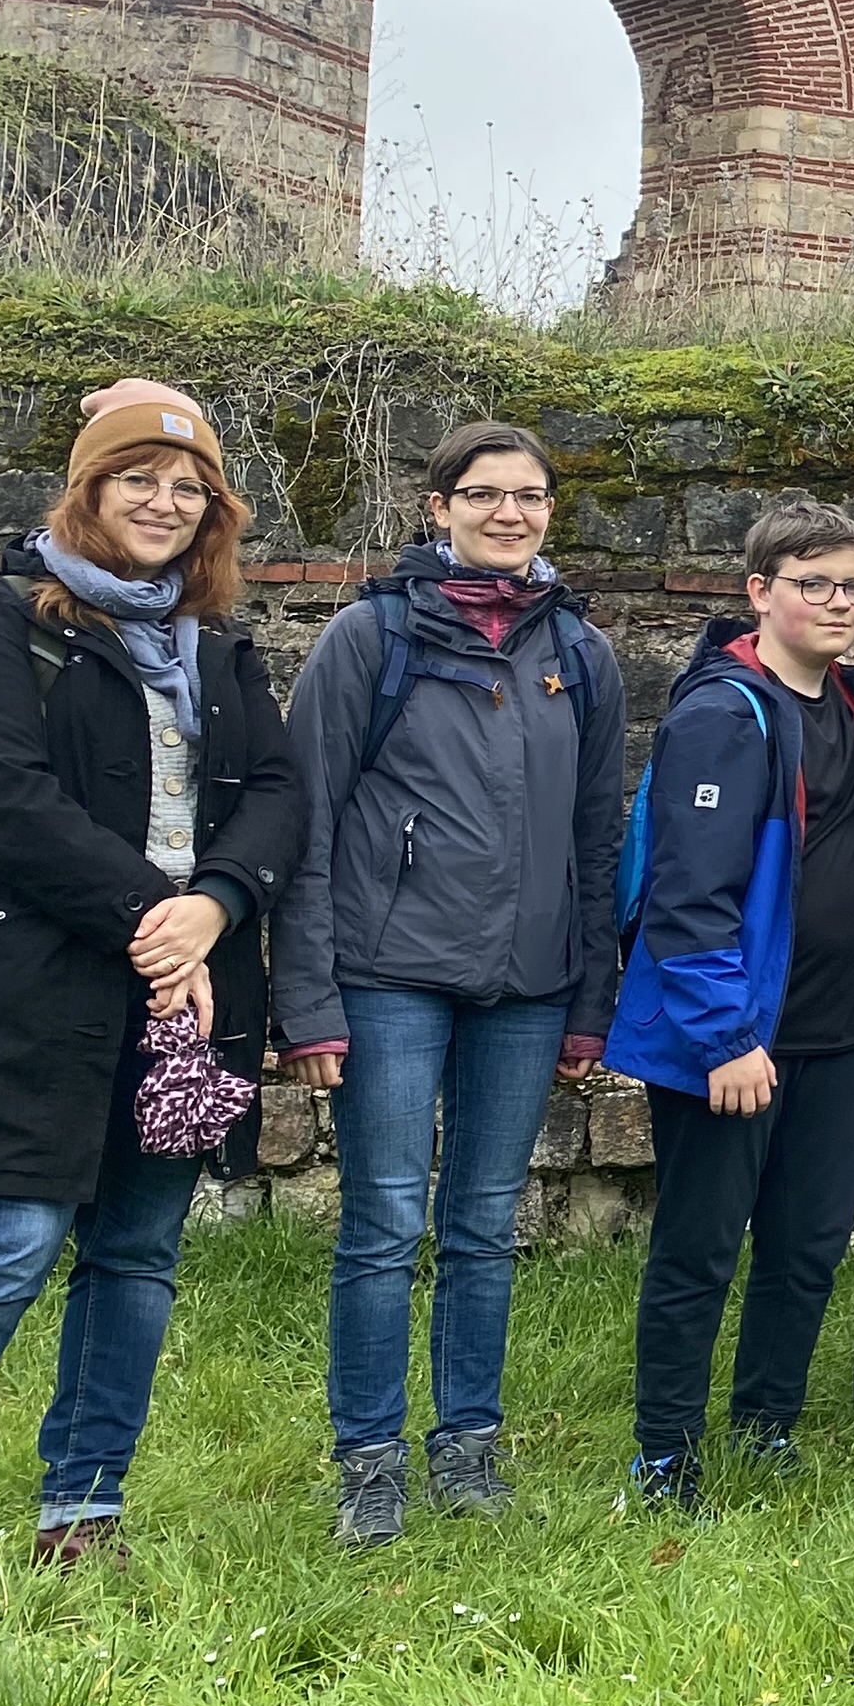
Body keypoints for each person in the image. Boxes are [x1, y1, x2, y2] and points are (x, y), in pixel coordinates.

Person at [0, 396, 299, 1589]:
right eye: (137, 478)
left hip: (185, 992)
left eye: (189, 489)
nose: (163, 504)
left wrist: (218, 903)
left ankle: (83, 1513)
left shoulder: (219, 647)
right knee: (5, 1246)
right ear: (88, 489)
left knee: (135, 1254)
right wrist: (157, 916)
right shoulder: (0, 622)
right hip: (27, 982)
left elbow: (282, 791)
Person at [281, 420, 625, 1547]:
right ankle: (369, 1459)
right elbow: (310, 821)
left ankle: (467, 1449)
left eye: (531, 498)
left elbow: (595, 836)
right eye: (486, 496)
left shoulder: (580, 652)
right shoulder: (367, 638)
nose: (511, 515)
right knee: (382, 1223)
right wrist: (311, 999)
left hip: (528, 985)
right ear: (440, 507)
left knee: (483, 1223)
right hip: (390, 978)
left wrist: (588, 1006)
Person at [607, 499, 854, 1509]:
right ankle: (664, 1454)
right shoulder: (726, 714)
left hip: (833, 1030)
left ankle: (765, 1426)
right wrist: (727, 1037)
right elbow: (686, 898)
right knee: (700, 1248)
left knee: (808, 1246)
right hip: (735, 1039)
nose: (840, 602)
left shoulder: (850, 703)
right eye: (815, 584)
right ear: (759, 592)